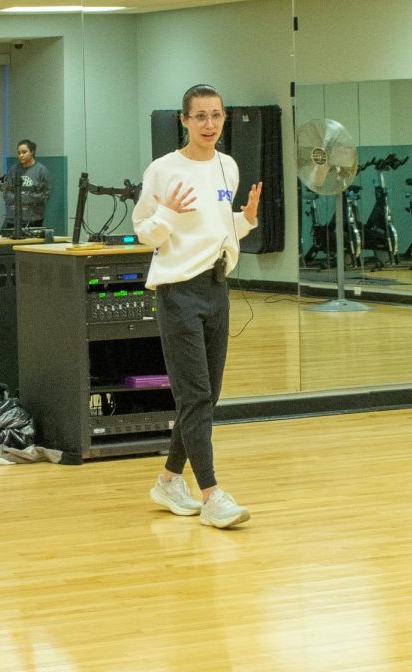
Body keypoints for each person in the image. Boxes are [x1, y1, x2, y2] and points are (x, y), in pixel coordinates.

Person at [133, 83, 262, 529]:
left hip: (216, 288)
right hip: (178, 292)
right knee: (196, 395)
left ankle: (169, 479)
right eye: (200, 116)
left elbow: (220, 230)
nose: (210, 124)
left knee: (207, 399)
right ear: (183, 121)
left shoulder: (228, 167)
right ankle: (212, 495)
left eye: (217, 115)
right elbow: (145, 234)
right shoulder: (163, 170)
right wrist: (166, 213)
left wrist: (245, 220)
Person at [0, 139, 50, 229]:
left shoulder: (41, 170)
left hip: (33, 218)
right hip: (13, 218)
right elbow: (6, 194)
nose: (21, 155)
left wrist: (19, 198)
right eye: (19, 153)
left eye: (24, 152)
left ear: (32, 152)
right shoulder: (13, 170)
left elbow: (43, 196)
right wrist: (23, 198)